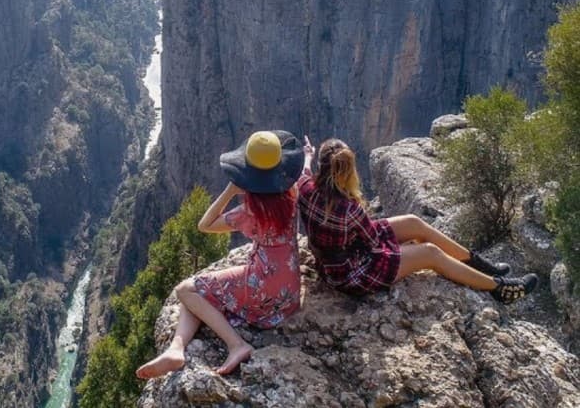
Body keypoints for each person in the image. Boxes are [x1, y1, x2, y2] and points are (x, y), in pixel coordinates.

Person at [136, 130, 306, 380]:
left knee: (186, 291)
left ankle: (236, 345)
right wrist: (308, 159)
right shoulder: (293, 196)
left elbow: (205, 224)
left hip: (261, 287)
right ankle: (176, 348)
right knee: (201, 294)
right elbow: (304, 175)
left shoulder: (249, 211)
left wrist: (230, 190)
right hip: (289, 294)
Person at [297, 136, 538, 303]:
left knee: (413, 222)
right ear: (348, 170)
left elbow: (304, 173)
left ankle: (482, 267)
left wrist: (306, 156)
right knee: (430, 253)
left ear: (323, 166)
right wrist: (409, 251)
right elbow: (373, 245)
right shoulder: (351, 209)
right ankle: (498, 288)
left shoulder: (305, 188)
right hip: (351, 273)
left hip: (336, 261)